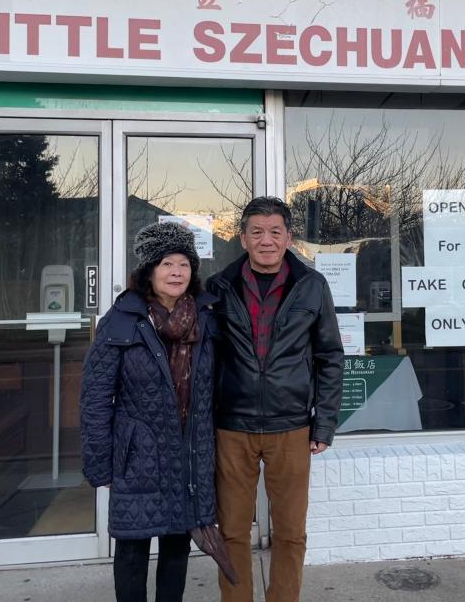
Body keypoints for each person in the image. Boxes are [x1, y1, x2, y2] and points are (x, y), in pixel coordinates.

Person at [207, 196, 344, 602]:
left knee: (289, 532)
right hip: (232, 426)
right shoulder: (219, 287)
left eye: (275, 232)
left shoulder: (312, 286)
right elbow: (205, 361)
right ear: (244, 239)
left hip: (292, 427)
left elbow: (330, 357)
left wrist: (324, 424)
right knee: (231, 531)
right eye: (257, 232)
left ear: (288, 238)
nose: (266, 241)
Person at [80, 221, 217, 602]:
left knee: (177, 546)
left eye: (184, 264)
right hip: (138, 456)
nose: (177, 272)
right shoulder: (122, 320)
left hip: (190, 453)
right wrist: (100, 462)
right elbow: (94, 397)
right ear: (149, 271)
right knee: (132, 549)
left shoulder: (207, 319)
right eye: (167, 264)